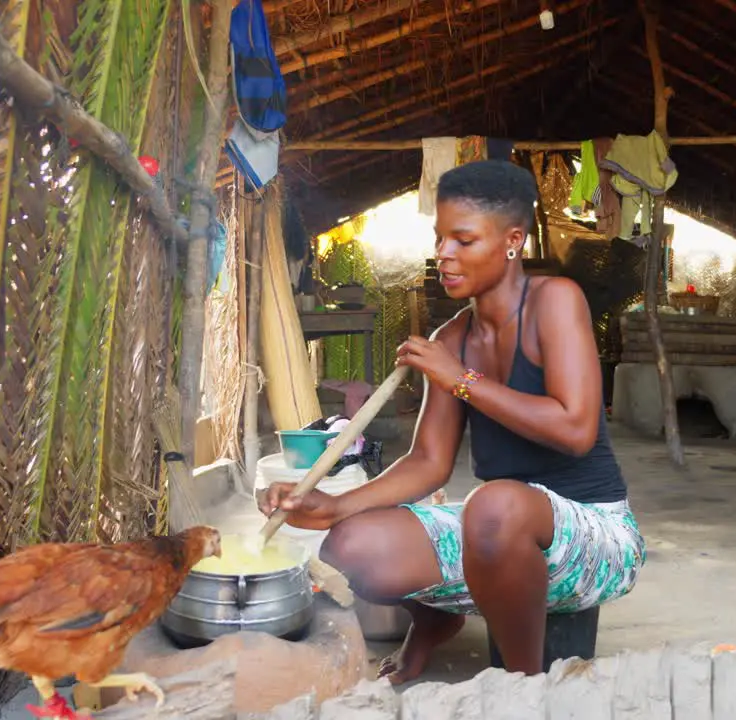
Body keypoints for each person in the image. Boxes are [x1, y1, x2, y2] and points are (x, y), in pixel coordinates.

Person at [257, 160, 645, 683]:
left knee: (493, 505)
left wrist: (460, 378)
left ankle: (522, 692)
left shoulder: (554, 301)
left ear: (512, 241)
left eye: (463, 240)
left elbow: (576, 429)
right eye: (441, 238)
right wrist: (333, 506)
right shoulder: (452, 338)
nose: (443, 254)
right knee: (352, 543)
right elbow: (428, 462)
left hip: (596, 535)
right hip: (500, 531)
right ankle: (433, 623)